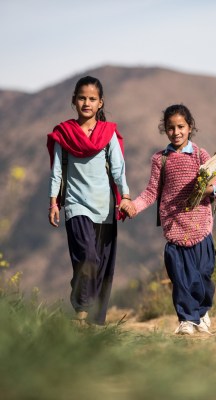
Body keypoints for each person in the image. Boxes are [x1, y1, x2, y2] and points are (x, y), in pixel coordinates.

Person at [129, 104, 216, 335]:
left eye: (181, 126)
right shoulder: (160, 160)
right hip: (174, 228)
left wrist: (210, 189)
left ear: (190, 127)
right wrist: (134, 206)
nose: (176, 132)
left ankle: (202, 312)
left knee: (203, 275)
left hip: (201, 226)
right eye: (171, 128)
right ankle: (186, 319)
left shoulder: (201, 155)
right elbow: (152, 192)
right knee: (180, 278)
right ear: (165, 130)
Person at [47, 76, 134, 326]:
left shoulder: (107, 134)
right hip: (75, 205)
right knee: (88, 258)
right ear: (74, 101)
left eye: (92, 99)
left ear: (100, 103)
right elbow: (57, 173)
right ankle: (81, 314)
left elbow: (118, 169)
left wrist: (125, 197)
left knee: (101, 265)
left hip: (105, 208)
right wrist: (53, 203)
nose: (87, 102)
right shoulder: (64, 134)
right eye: (82, 97)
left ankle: (94, 320)